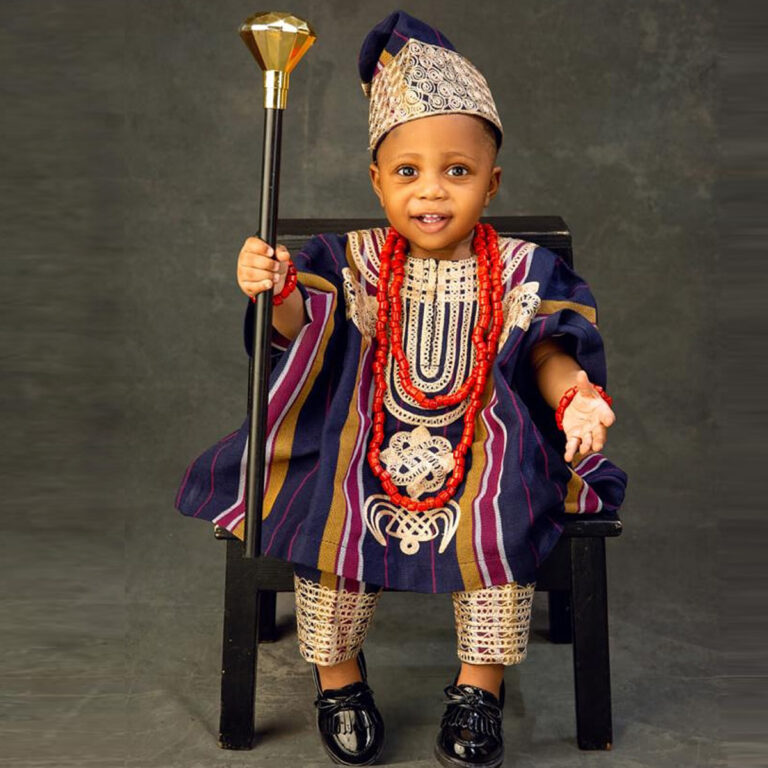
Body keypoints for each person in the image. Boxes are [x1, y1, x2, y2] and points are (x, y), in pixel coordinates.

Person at [174, 10, 628, 768]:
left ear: (492, 183)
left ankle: (479, 689)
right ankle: (340, 680)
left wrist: (573, 392)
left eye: (458, 171)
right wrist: (271, 287)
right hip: (361, 433)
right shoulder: (346, 257)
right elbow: (295, 325)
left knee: (505, 508)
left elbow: (548, 347)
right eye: (408, 171)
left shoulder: (522, 268)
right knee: (333, 503)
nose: (432, 192)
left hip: (487, 436)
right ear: (378, 180)